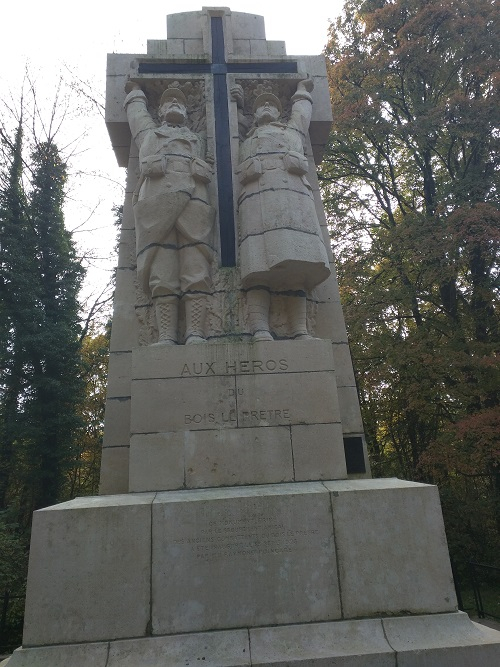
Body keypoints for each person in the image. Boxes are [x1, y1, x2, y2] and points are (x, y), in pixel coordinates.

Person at [235, 79, 331, 340]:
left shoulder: (290, 133)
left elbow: (301, 115)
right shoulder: (247, 140)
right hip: (257, 204)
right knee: (258, 269)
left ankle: (299, 329)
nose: (266, 107)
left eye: (272, 105)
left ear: (279, 112)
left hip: (292, 204)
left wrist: (302, 92)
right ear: (253, 115)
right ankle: (260, 328)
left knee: (296, 268)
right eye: (260, 106)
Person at [123, 82, 215, 344]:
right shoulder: (151, 136)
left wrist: (203, 171)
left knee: (196, 268)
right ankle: (166, 335)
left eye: (179, 102)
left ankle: (195, 331)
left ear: (187, 112)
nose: (174, 104)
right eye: (168, 101)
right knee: (162, 270)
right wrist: (135, 92)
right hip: (158, 207)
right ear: (160, 111)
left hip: (194, 207)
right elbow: (138, 118)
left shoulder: (198, 140)